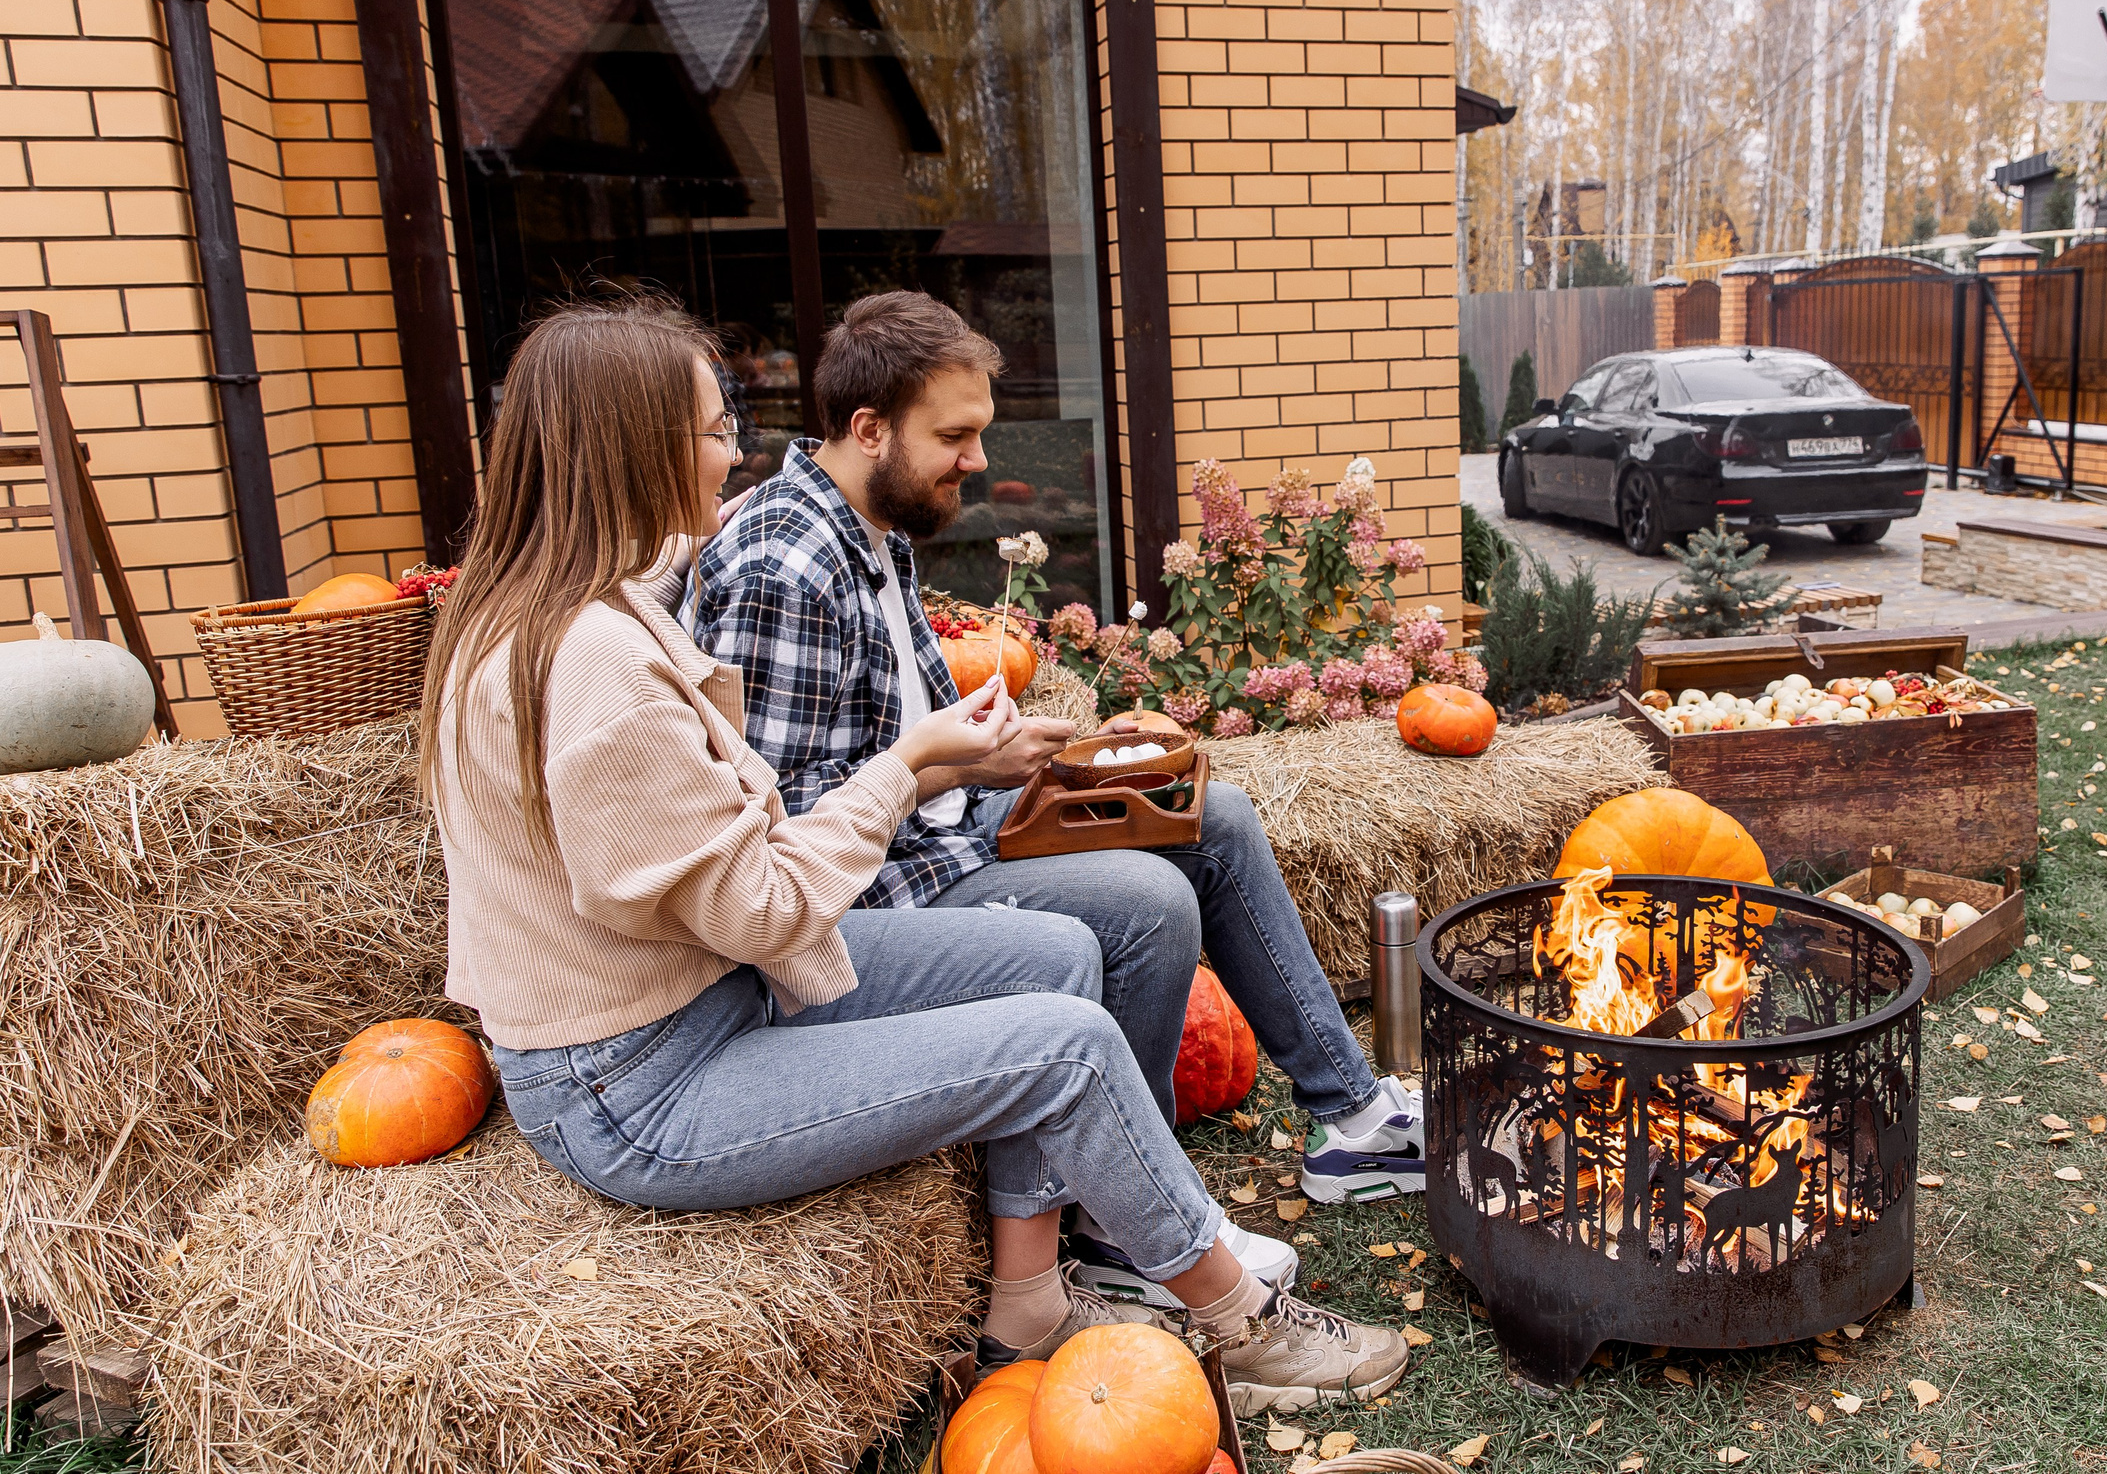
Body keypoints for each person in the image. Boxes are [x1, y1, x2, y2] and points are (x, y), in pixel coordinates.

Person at [424, 295, 1406, 1412]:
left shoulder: (571, 610)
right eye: (706, 431)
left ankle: (1029, 1301)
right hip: (641, 1079)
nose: (731, 454)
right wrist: (910, 769)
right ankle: (1237, 1318)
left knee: (1055, 958)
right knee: (1069, 1041)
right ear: (628, 447)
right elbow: (760, 908)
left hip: (703, 998)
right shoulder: (598, 655)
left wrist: (961, 762)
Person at [687, 291, 1424, 1303]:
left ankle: (1355, 1123)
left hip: (934, 827)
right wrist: (960, 771)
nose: (978, 461)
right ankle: (1122, 1216)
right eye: (954, 435)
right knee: (1148, 905)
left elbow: (917, 742)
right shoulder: (786, 566)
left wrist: (1062, 759)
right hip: (867, 895)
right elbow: (788, 827)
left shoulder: (872, 525)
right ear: (867, 430)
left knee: (1211, 813)